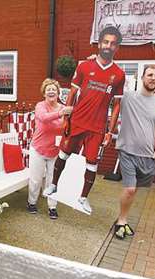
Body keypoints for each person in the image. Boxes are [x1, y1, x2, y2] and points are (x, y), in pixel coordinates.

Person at [43, 26, 126, 214]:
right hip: (77, 122)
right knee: (63, 154)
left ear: (117, 47)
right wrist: (66, 118)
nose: (108, 46)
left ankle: (82, 198)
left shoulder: (119, 75)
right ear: (99, 44)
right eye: (106, 42)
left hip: (97, 128)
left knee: (92, 163)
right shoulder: (84, 66)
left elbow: (117, 105)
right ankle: (54, 185)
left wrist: (110, 132)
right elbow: (72, 93)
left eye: (113, 43)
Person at [112, 65, 155, 239]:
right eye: (150, 75)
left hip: (147, 155)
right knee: (130, 189)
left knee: (134, 191)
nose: (153, 78)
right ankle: (120, 221)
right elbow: (111, 82)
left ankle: (124, 219)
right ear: (142, 78)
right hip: (127, 150)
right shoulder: (128, 97)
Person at [27, 78, 72, 219]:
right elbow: (44, 118)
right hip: (38, 149)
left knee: (53, 181)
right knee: (36, 179)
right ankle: (31, 202)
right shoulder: (40, 106)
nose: (51, 91)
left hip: (55, 151)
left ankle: (52, 207)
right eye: (48, 90)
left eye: (54, 89)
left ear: (58, 93)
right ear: (44, 93)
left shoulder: (63, 107)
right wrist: (61, 113)